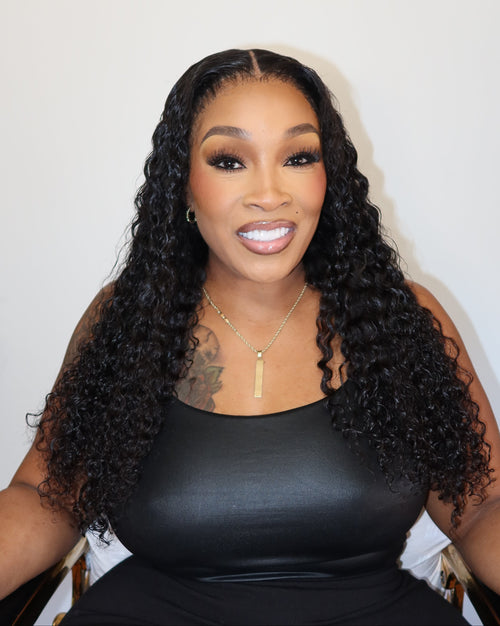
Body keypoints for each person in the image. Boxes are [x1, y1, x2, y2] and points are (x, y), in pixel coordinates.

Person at [0, 48, 499, 625]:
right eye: (230, 161)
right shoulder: (129, 318)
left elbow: (481, 506)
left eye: (298, 157)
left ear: (329, 177)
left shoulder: (401, 315)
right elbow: (45, 497)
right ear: (184, 185)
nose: (269, 193)